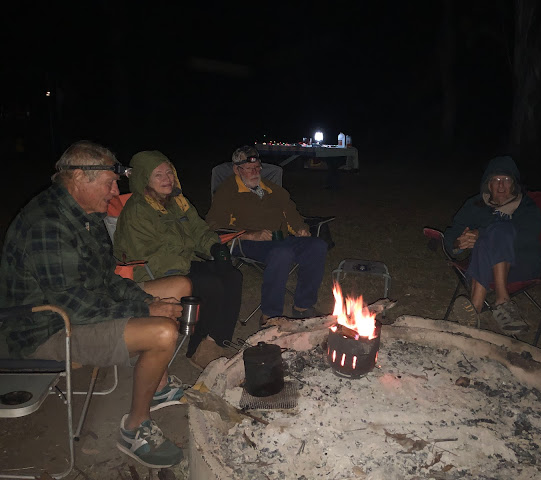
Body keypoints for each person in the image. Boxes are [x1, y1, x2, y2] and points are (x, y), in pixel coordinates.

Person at [0, 141, 192, 469]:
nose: (115, 190)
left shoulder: (86, 215)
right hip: (46, 329)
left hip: (81, 307)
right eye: (109, 183)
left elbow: (106, 280)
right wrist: (146, 310)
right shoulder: (48, 225)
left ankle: (158, 385)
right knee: (162, 332)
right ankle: (135, 429)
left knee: (178, 286)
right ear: (79, 178)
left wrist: (147, 300)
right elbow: (75, 309)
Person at [113, 150, 243, 370]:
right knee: (210, 285)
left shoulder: (177, 202)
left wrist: (214, 247)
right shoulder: (137, 210)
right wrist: (193, 265)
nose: (167, 179)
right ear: (144, 179)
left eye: (169, 172)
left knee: (232, 276)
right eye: (159, 175)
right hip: (154, 273)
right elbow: (148, 255)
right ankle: (195, 350)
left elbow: (198, 229)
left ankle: (214, 343)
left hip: (183, 263)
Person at [205, 145, 328, 324]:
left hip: (279, 238)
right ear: (236, 170)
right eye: (249, 169)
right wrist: (251, 235)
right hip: (246, 242)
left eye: (257, 167)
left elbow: (291, 213)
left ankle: (303, 305)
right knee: (282, 253)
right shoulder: (227, 192)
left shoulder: (272, 189)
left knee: (317, 246)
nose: (255, 172)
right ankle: (270, 315)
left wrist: (300, 228)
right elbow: (214, 224)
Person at [443, 156, 541, 334]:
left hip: (520, 265)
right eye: (496, 180)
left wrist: (482, 234)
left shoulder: (527, 207)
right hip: (483, 265)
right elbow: (452, 233)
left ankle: (476, 308)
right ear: (488, 185)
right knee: (485, 243)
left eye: (506, 180)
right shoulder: (475, 205)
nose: (501, 185)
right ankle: (499, 303)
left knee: (499, 232)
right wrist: (459, 242)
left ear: (513, 184)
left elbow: (528, 237)